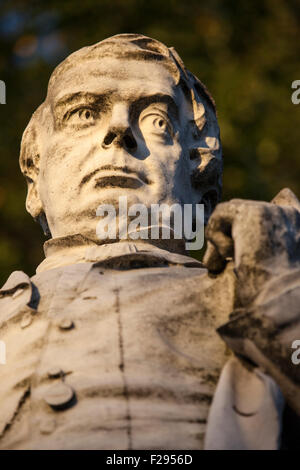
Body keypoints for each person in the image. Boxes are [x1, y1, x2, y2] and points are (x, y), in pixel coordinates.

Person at [0, 33, 299, 450]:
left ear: (202, 191)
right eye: (84, 113)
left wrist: (278, 283)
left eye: (157, 121)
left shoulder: (254, 287)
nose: (119, 130)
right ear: (34, 178)